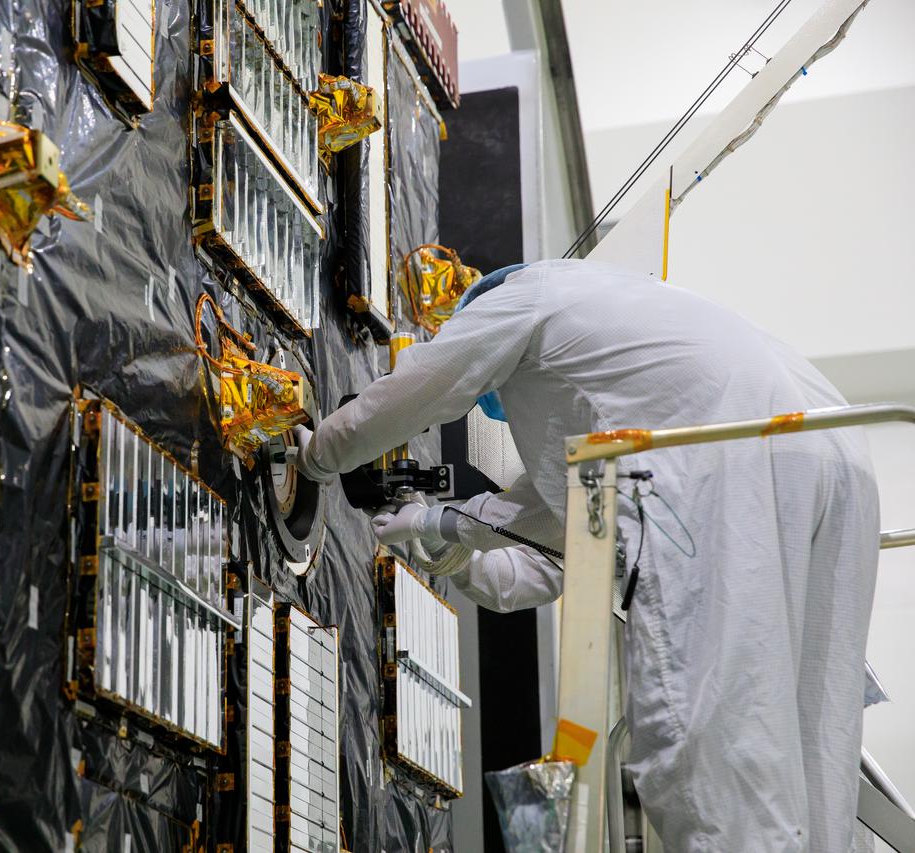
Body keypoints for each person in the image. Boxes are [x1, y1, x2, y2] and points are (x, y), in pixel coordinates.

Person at [293, 259, 879, 851]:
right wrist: (444, 538)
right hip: (835, 449)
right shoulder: (627, 337)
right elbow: (544, 549)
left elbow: (418, 387)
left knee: (711, 738)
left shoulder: (524, 296)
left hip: (730, 455)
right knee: (809, 733)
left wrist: (317, 456)